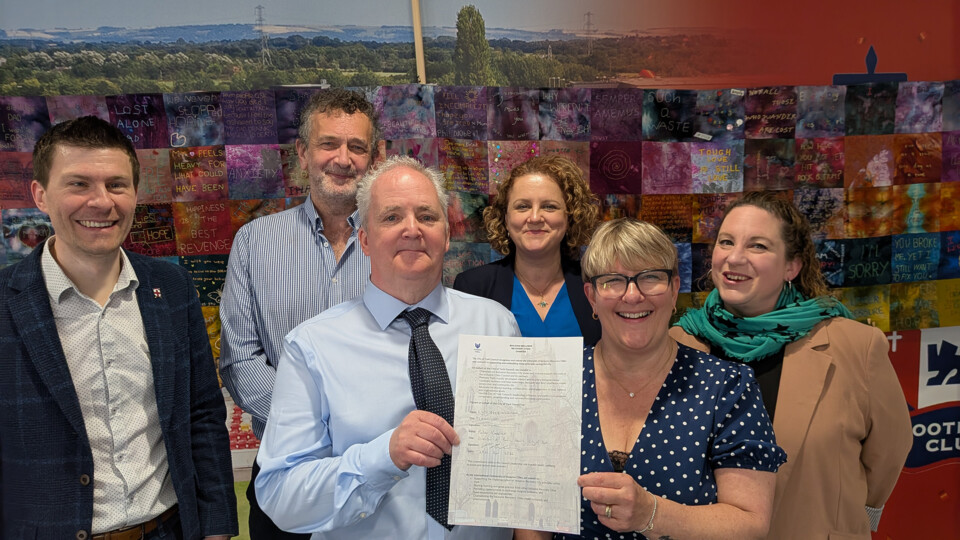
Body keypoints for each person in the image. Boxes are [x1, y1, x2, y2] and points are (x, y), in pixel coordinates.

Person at [255, 155, 520, 538]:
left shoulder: (497, 325)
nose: (412, 229)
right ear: (363, 239)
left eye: (427, 217)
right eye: (392, 217)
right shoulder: (312, 347)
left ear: (446, 236)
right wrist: (384, 456)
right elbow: (281, 495)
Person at [0, 116, 237, 539]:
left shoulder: (172, 287)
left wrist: (217, 528)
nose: (101, 202)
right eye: (78, 184)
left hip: (169, 529)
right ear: (39, 194)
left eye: (116, 184)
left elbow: (202, 413)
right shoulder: (6, 302)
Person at [518, 218, 787, 540]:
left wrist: (652, 514)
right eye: (613, 281)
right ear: (591, 296)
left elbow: (751, 523)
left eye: (650, 278)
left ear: (674, 290)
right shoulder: (553, 381)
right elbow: (531, 519)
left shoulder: (727, 387)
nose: (632, 296)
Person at [672, 191, 912, 539]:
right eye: (726, 242)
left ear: (791, 266)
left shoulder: (855, 346)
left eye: (758, 246)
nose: (735, 258)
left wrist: (846, 519)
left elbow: (890, 450)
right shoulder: (680, 343)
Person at [218, 88, 378, 538]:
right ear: (304, 154)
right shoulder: (255, 242)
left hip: (377, 482)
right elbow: (240, 360)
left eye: (357, 147)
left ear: (375, 157)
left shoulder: (401, 243)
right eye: (329, 144)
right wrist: (313, 422)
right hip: (285, 474)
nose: (343, 159)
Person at [454, 155, 601, 345]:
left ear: (570, 217)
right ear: (505, 219)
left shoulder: (596, 284)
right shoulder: (473, 287)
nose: (534, 217)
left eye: (549, 206)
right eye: (522, 206)